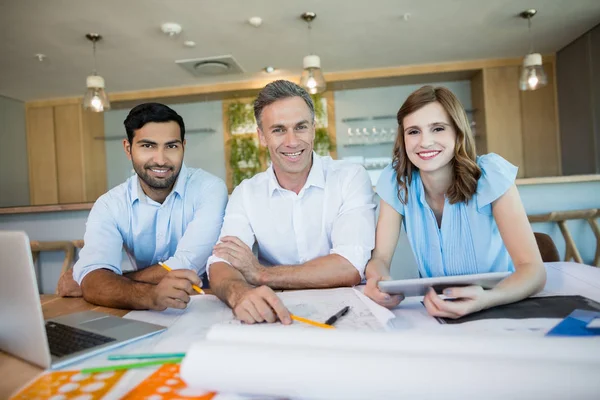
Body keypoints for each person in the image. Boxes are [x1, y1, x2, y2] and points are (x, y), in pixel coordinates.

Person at [364, 85, 546, 318]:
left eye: (438, 128)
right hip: (438, 310)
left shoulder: (491, 175)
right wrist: (378, 281)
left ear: (458, 132)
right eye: (413, 131)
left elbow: (533, 270)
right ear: (403, 138)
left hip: (501, 305)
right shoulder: (397, 181)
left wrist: (486, 299)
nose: (425, 142)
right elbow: (380, 259)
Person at [208, 80, 376, 325]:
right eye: (278, 130)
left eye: (300, 127)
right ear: (262, 136)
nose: (292, 141)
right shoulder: (246, 193)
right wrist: (239, 293)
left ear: (313, 129)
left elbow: (349, 266)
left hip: (349, 313)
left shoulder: (350, 177)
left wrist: (260, 273)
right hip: (276, 314)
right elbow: (222, 261)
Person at [70, 102, 228, 310]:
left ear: (183, 147)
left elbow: (184, 265)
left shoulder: (210, 189)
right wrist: (147, 295)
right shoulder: (110, 205)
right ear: (128, 149)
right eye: (148, 146)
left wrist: (109, 280)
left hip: (209, 305)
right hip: (143, 310)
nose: (161, 160)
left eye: (171, 146)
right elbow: (92, 277)